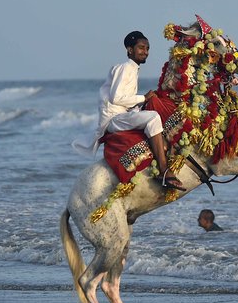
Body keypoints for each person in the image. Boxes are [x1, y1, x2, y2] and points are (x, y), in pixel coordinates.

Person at [72, 31, 184, 191]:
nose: (145, 51)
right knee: (153, 117)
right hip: (114, 119)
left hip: (122, 115)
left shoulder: (132, 69)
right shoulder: (125, 68)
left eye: (147, 48)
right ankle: (164, 170)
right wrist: (143, 98)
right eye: (141, 47)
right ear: (129, 50)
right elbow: (116, 98)